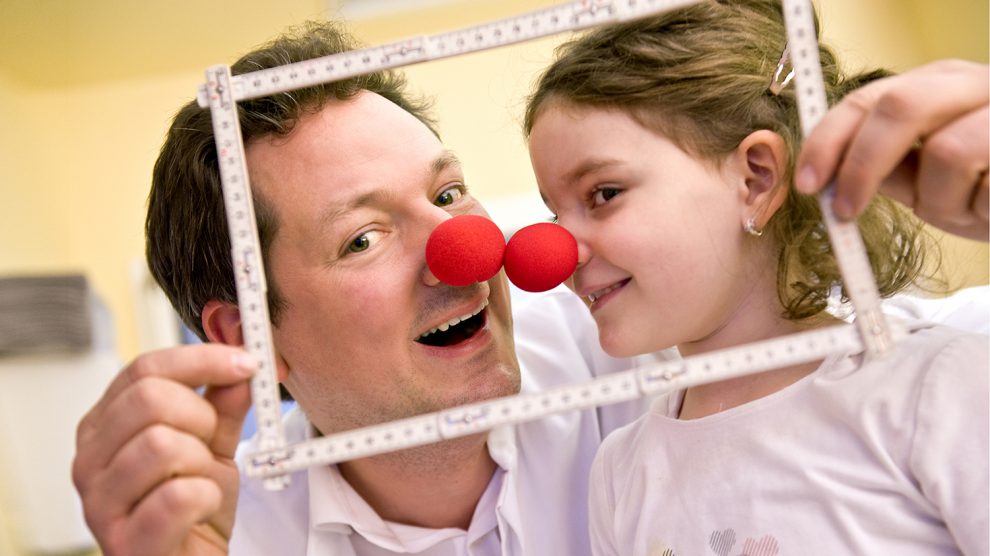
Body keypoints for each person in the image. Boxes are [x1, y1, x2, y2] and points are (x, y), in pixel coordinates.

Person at [70, 20, 654, 556]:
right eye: (362, 239)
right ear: (251, 338)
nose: (459, 254)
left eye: (447, 195)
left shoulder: (631, 361)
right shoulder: (223, 533)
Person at [521, 1, 989, 554]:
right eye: (555, 213)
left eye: (603, 194)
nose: (557, 253)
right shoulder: (621, 472)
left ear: (756, 178)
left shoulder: (931, 387)